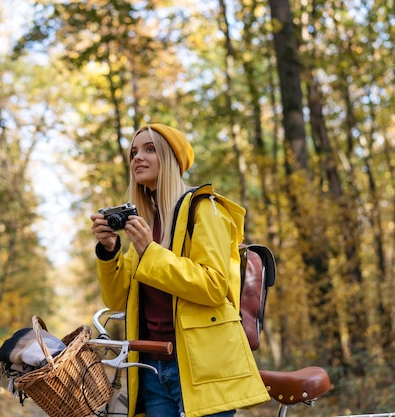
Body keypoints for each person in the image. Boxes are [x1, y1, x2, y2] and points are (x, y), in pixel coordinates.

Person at [90, 124, 269, 417]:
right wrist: (109, 251)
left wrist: (150, 251)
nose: (137, 157)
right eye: (134, 152)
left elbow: (213, 285)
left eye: (150, 149)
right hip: (151, 366)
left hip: (202, 366)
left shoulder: (206, 209)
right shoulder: (145, 224)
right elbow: (116, 299)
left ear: (171, 159)